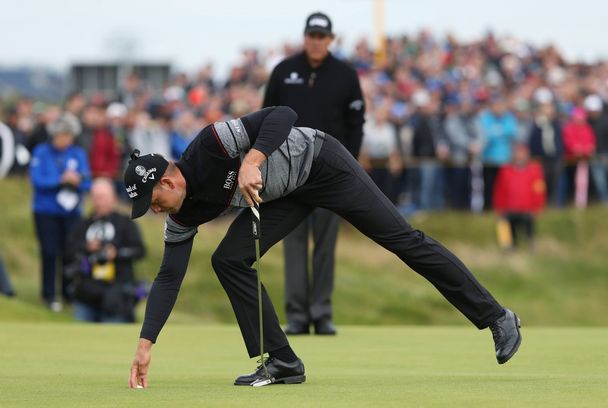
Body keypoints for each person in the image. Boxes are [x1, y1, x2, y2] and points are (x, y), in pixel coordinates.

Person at [125, 106, 522, 389]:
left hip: (322, 164)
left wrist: (253, 161)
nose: (156, 212)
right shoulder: (182, 214)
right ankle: (282, 361)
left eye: (154, 202)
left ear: (168, 182)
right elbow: (168, 275)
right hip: (284, 196)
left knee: (403, 240)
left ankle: (497, 317)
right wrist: (146, 344)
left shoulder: (210, 144)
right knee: (229, 259)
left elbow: (282, 115)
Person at [262, 12, 365, 335]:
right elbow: (266, 118)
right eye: (311, 36)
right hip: (289, 173)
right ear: (304, 37)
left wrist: (348, 165)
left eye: (322, 37)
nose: (316, 42)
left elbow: (356, 125)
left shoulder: (345, 75)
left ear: (330, 39)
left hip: (329, 173)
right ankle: (296, 315)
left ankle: (321, 313)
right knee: (293, 243)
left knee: (325, 244)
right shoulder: (284, 71)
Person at [30, 114, 91, 311]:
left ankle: (68, 294)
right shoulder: (41, 152)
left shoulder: (78, 153)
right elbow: (37, 180)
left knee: (70, 253)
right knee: (49, 252)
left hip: (72, 212)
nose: (65, 140)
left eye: (68, 136)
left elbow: (87, 181)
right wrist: (60, 180)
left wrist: (77, 181)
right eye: (61, 136)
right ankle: (49, 295)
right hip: (46, 211)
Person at [66, 178, 146, 322]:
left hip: (117, 292)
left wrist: (116, 253)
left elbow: (139, 251)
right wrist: (87, 247)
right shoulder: (82, 225)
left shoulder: (125, 224)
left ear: (113, 198)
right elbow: (69, 250)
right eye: (96, 197)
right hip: (87, 292)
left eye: (103, 197)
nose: (99, 201)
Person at [493, 143, 546, 250]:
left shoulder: (534, 170)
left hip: (527, 210)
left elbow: (539, 192)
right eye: (517, 154)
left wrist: (537, 209)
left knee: (529, 227)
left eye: (522, 154)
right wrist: (499, 208)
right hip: (509, 209)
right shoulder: (505, 170)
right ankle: (508, 247)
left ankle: (531, 245)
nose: (519, 157)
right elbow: (499, 190)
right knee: (503, 224)